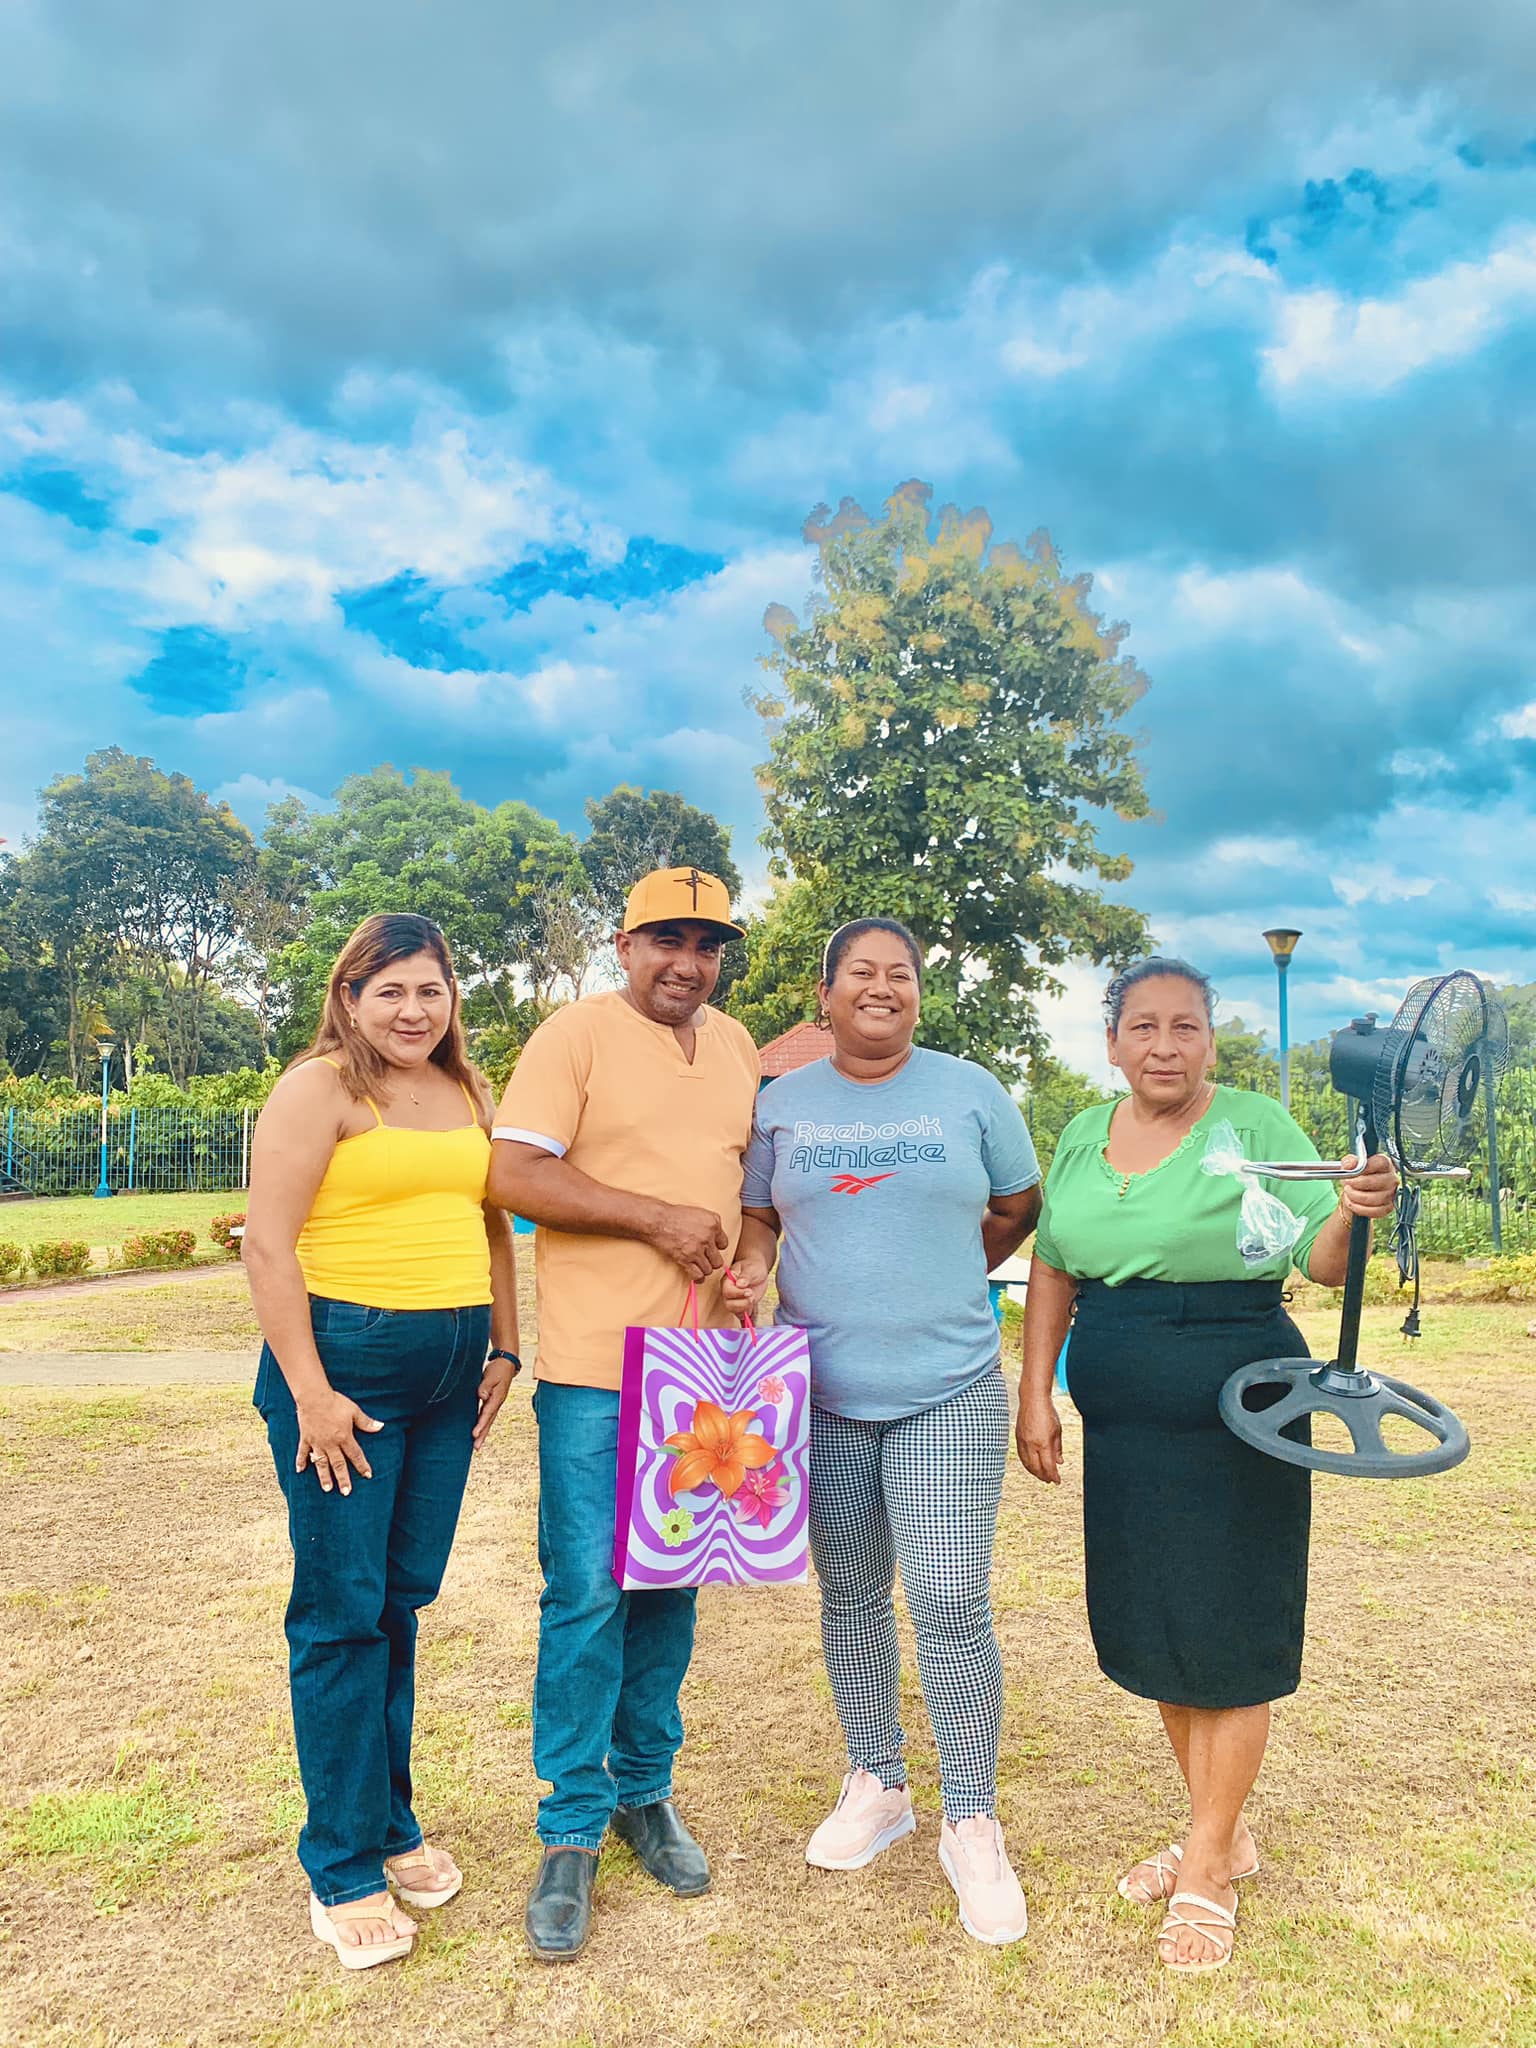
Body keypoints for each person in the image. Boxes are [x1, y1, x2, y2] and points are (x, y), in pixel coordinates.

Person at [1015, 956, 1398, 1975]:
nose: (1164, 1045)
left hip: (1242, 1409)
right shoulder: (1085, 1133)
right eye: (1142, 1026)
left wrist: (1354, 1208)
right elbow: (1053, 1260)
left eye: (1185, 1026)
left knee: (1226, 1628)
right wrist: (1035, 1389)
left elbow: (1319, 1257)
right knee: (1162, 1627)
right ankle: (1220, 1835)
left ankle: (1208, 1868)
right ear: (1111, 1043)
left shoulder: (1257, 1126)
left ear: (1211, 1041)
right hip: (1126, 1427)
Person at [730, 918, 1042, 1946]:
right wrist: (752, 1263)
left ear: (917, 991)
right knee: (853, 1592)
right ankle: (879, 1781)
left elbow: (1018, 1205)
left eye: (898, 973)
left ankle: (972, 1819)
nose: (880, 986)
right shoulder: (781, 1102)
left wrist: (944, 1267)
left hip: (947, 1385)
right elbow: (762, 1215)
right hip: (817, 1391)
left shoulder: (971, 1090)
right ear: (824, 995)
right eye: (859, 972)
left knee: (950, 1597)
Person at [488, 866, 760, 1962]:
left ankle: (645, 1791)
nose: (687, 963)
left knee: (670, 1584)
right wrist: (653, 1219)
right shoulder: (575, 1037)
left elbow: (748, 1197)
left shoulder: (737, 1046)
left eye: (707, 945)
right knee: (589, 1591)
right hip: (597, 1368)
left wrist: (752, 1262)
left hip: (706, 1368)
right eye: (666, 941)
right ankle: (570, 1827)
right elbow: (514, 1173)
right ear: (624, 944)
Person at [243, 913, 521, 1971]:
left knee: (399, 1601)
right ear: (349, 997)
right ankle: (343, 1865)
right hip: (345, 1379)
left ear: (453, 996)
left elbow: (494, 1223)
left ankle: (391, 1820)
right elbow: (269, 1244)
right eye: (390, 990)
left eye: (430, 989)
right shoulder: (317, 1089)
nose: (413, 1010)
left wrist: (506, 1345)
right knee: (340, 1615)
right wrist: (310, 1391)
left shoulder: (469, 1091)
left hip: (451, 1381)